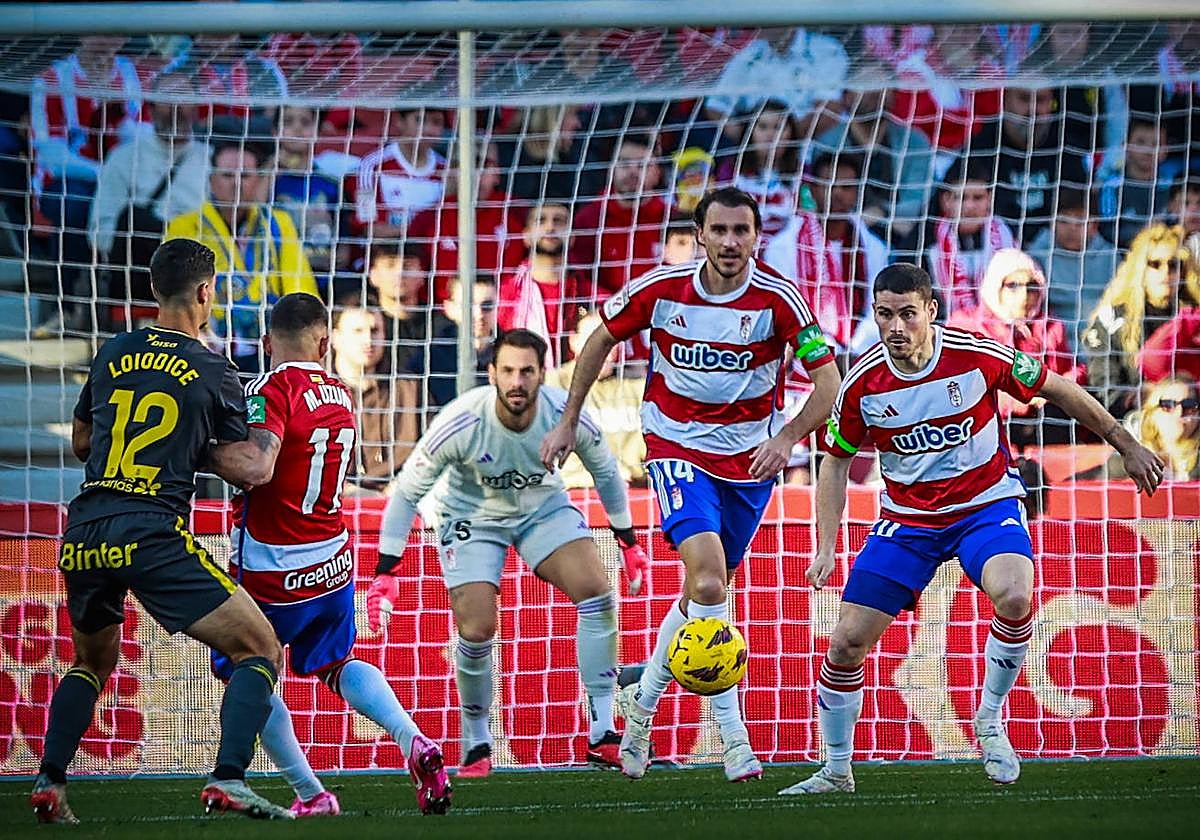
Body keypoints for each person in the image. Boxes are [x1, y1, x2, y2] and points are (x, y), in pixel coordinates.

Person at [777, 263, 1162, 797]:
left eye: (907, 314)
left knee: (1015, 593)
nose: (895, 327)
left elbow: (1058, 390)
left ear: (930, 311)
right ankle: (836, 770)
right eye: (884, 314)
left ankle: (989, 717)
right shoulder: (862, 384)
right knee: (844, 644)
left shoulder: (976, 353)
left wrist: (1127, 442)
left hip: (984, 505)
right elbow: (835, 461)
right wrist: (825, 546)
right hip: (907, 523)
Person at [541, 187, 842, 782]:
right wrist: (570, 418)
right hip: (676, 447)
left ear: (757, 236)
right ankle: (734, 740)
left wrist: (786, 439)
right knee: (707, 575)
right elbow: (600, 336)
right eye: (720, 230)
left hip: (749, 460)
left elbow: (829, 385)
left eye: (743, 231)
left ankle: (642, 704)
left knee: (704, 592)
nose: (731, 242)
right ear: (699, 234)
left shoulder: (781, 300)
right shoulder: (661, 289)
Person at [32, 239, 292, 823]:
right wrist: (192, 446)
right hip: (151, 531)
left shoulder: (112, 350)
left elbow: (80, 442)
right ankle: (229, 778)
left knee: (92, 662)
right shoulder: (215, 369)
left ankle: (50, 782)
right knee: (260, 648)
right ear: (206, 293)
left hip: (88, 528)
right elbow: (252, 468)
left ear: (153, 290)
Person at [366, 329, 650, 777]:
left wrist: (628, 541)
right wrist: (387, 568)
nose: (517, 381)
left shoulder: (564, 413)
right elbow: (405, 494)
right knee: (477, 627)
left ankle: (602, 731)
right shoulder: (463, 421)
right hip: (470, 516)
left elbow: (607, 473)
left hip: (542, 508)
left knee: (597, 592)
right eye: (509, 371)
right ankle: (477, 737)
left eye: (527, 371)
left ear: (542, 374)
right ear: (492, 373)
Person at [210, 292, 451, 816]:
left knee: (246, 665)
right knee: (337, 662)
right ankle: (415, 740)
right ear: (324, 342)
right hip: (334, 558)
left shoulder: (269, 388)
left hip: (275, 565)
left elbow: (259, 465)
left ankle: (311, 792)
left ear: (269, 342)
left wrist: (199, 447)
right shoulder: (339, 391)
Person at [164, 128, 318, 372]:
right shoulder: (186, 226)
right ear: (212, 181)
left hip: (271, 350)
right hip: (207, 348)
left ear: (258, 180)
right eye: (227, 175)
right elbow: (177, 295)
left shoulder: (278, 223)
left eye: (245, 176)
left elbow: (301, 290)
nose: (236, 184)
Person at [1083, 223, 1200, 417]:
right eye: (1155, 264)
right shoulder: (1112, 319)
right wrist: (1139, 397)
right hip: (1134, 418)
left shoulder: (1192, 317)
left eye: (1173, 265)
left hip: (1190, 415)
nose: (1165, 273)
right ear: (1140, 268)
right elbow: (1104, 386)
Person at [547, 312, 646, 489]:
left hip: (635, 492)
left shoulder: (638, 386)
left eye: (608, 343)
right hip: (574, 494)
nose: (600, 352)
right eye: (591, 342)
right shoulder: (554, 384)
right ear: (573, 342)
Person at [329, 298, 420, 491]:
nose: (368, 340)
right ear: (335, 338)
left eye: (375, 330)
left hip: (401, 498)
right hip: (335, 502)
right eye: (358, 331)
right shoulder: (315, 392)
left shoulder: (410, 389)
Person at [498, 202, 593, 367]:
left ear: (572, 237)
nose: (550, 227)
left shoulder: (594, 297)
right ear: (526, 236)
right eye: (540, 221)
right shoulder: (504, 296)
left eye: (559, 221)